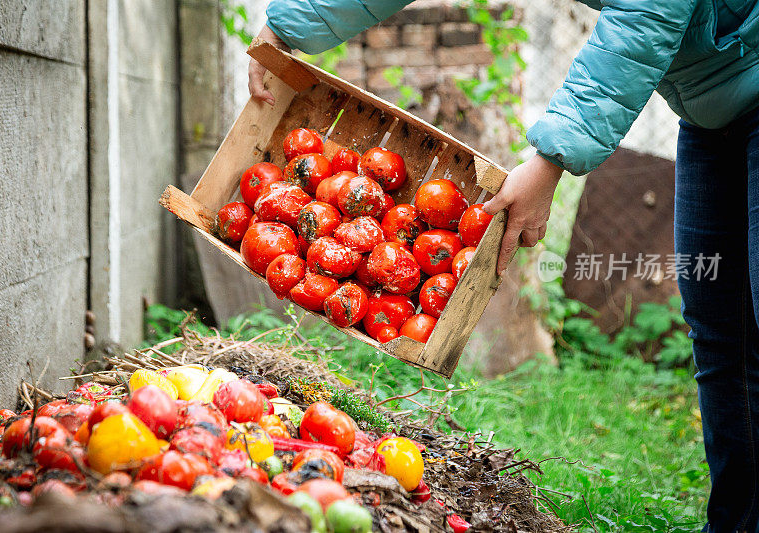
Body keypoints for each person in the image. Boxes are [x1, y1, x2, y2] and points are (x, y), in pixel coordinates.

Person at [248, 1, 759, 530]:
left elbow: (649, 13)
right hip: (711, 105)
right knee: (725, 338)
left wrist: (551, 159)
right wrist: (292, 23)